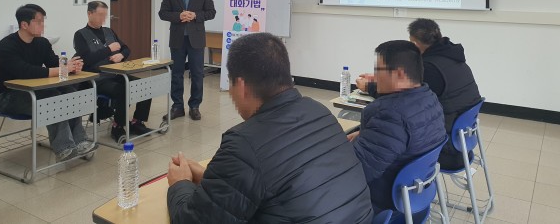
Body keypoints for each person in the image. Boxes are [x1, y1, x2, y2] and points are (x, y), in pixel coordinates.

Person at [166, 33, 373, 223]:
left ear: (241, 86)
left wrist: (180, 183)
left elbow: (193, 220)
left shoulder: (243, 144)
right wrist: (211, 179)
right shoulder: (318, 110)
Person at [357, 19, 482, 170]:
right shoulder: (454, 58)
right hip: (462, 137)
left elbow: (403, 101)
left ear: (415, 44)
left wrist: (369, 86)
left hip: (445, 147)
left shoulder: (430, 69)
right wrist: (382, 77)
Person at [349, 40, 446, 213]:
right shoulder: (429, 98)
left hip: (384, 201)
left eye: (378, 70)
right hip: (416, 192)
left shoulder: (390, 114)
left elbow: (356, 171)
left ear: (399, 74)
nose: (375, 76)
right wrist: (365, 135)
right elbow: (397, 139)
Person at [0, 4, 96, 161]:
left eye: (43, 21)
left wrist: (71, 66)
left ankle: (80, 141)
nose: (42, 25)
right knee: (53, 99)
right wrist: (62, 69)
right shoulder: (5, 47)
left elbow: (53, 62)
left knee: (70, 93)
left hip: (34, 91)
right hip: (7, 96)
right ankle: (64, 148)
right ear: (24, 24)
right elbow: (26, 71)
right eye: (39, 22)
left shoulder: (42, 42)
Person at [73, 0, 153, 143]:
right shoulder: (80, 35)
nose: (103, 18)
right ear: (89, 14)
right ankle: (118, 126)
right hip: (96, 78)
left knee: (144, 85)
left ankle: (137, 122)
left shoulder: (109, 31)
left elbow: (126, 48)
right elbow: (86, 59)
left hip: (115, 74)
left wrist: (121, 55)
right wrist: (108, 50)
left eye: (105, 15)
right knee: (123, 90)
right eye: (100, 15)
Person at [159, 0, 216, 121]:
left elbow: (211, 12)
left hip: (196, 39)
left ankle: (194, 106)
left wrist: (195, 15)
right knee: (176, 73)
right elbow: (162, 13)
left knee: (197, 73)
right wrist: (178, 16)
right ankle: (177, 106)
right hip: (177, 38)